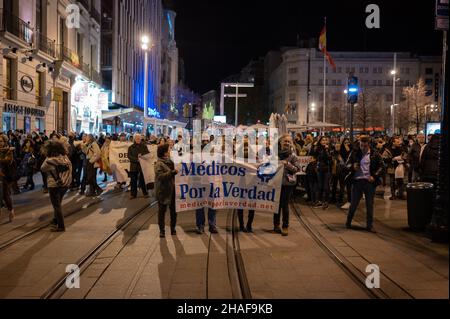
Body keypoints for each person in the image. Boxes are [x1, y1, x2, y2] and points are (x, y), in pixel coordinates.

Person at [345, 136, 385, 233]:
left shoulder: (374, 153)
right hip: (357, 181)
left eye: (365, 146)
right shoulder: (354, 152)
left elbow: (382, 166)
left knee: (369, 204)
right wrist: (352, 166)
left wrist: (374, 176)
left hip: (369, 182)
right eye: (361, 145)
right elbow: (347, 164)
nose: (363, 148)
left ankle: (369, 225)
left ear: (369, 144)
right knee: (354, 204)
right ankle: (348, 222)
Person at [41, 140, 73, 232]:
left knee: (56, 206)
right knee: (58, 203)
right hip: (65, 184)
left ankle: (61, 226)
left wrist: (48, 156)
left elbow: (42, 168)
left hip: (54, 185)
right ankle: (55, 220)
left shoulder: (50, 160)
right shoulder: (65, 157)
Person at [274, 134, 302, 236]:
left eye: (288, 142)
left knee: (285, 205)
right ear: (280, 142)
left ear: (291, 144)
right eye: (285, 141)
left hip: (287, 184)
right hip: (276, 182)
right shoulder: (274, 154)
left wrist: (287, 164)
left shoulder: (293, 156)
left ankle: (285, 226)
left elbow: (298, 169)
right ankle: (276, 224)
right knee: (276, 204)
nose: (286, 143)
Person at [155, 144, 178, 238]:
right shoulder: (159, 164)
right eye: (168, 150)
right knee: (162, 212)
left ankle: (173, 228)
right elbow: (160, 177)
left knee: (174, 211)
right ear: (164, 153)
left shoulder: (171, 161)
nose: (170, 151)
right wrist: (172, 172)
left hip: (172, 190)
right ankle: (162, 231)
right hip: (163, 191)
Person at [127, 134, 149, 199]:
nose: (138, 139)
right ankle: (133, 194)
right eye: (137, 138)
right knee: (133, 181)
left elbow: (147, 154)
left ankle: (145, 193)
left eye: (139, 138)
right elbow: (129, 156)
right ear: (134, 139)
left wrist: (142, 158)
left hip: (142, 166)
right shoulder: (130, 147)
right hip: (134, 166)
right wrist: (137, 160)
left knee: (143, 180)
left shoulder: (144, 146)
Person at [313, 136, 333, 209]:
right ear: (320, 141)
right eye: (323, 140)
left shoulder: (329, 148)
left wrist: (327, 150)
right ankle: (319, 201)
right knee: (320, 185)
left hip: (327, 169)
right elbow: (314, 155)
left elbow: (330, 158)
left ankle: (326, 202)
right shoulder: (318, 148)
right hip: (319, 169)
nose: (324, 141)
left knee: (326, 186)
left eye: (326, 140)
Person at [0, 135, 15, 222]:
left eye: (1, 141)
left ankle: (11, 210)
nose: (0, 143)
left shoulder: (8, 151)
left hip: (5, 176)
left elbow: (8, 161)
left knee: (6, 195)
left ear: (5, 142)